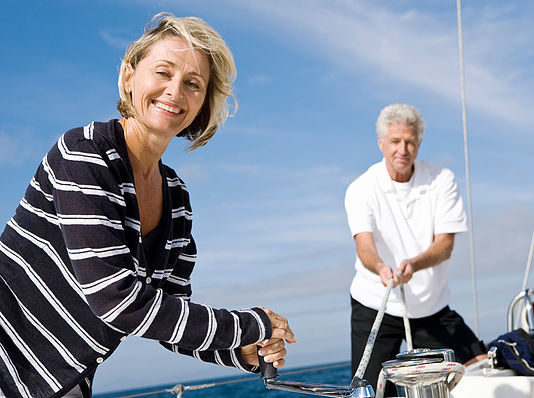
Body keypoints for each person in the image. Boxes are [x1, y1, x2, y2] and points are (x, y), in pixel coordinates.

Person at [0, 13, 295, 398]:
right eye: (163, 72)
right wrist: (249, 324)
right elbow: (117, 299)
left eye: (192, 84)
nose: (175, 91)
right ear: (128, 77)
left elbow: (169, 316)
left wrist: (241, 353)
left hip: (59, 382)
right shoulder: (85, 152)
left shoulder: (177, 198)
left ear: (202, 103)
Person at [344, 104, 485, 395]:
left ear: (418, 143)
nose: (403, 149)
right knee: (370, 392)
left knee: (482, 370)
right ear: (381, 144)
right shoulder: (361, 188)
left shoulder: (442, 179)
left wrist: (414, 265)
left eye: (410, 141)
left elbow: (445, 246)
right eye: (395, 141)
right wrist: (381, 267)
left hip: (431, 307)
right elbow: (364, 246)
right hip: (375, 306)